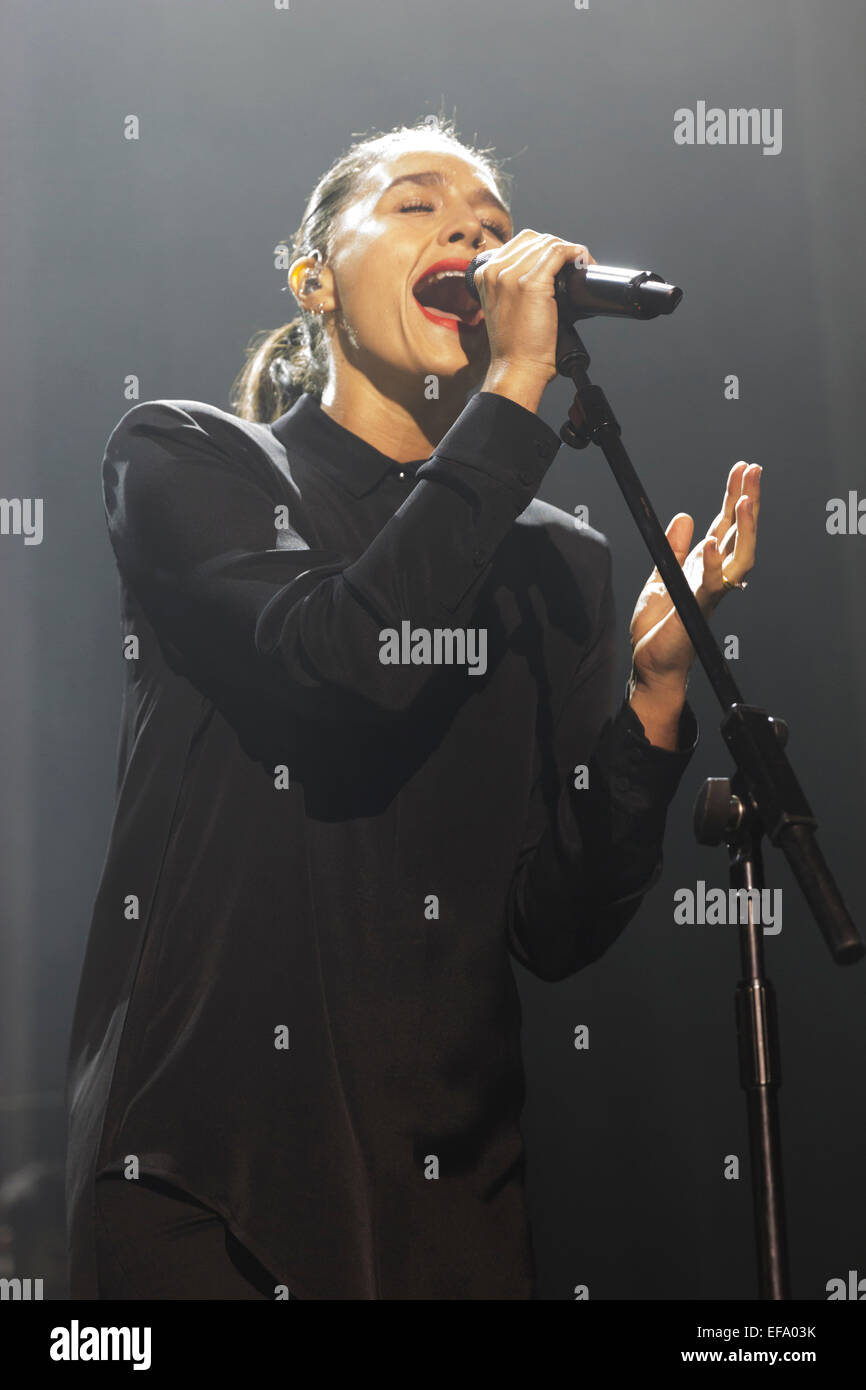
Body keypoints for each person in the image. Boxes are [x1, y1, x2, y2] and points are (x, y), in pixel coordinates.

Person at [65, 114, 760, 1301]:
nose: (473, 235)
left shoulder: (556, 563)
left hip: (450, 1199)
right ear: (315, 281)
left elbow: (556, 923)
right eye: (417, 205)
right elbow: (339, 659)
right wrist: (513, 390)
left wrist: (650, 699)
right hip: (205, 1175)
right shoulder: (191, 460)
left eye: (493, 224)